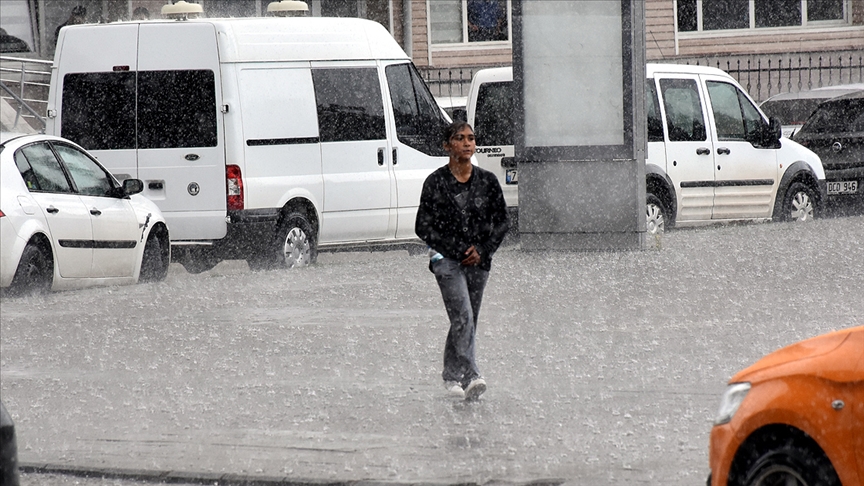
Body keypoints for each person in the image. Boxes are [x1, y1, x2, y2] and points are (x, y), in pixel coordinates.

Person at [415, 121, 509, 401]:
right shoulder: (435, 182)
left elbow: (502, 222)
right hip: (446, 261)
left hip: (479, 262)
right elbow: (423, 226)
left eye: (471, 138)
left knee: (466, 319)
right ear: (447, 145)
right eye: (460, 138)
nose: (467, 143)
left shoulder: (488, 181)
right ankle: (471, 375)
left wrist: (482, 249)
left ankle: (450, 375)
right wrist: (456, 249)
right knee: (463, 316)